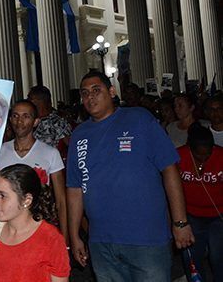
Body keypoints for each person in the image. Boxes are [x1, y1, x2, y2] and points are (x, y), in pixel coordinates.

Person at [66, 71, 194, 281]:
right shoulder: (79, 134)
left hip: (146, 239)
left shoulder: (139, 118)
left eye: (96, 90)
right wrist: (75, 235)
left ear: (112, 91)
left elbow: (169, 169)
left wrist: (180, 222)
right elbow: (74, 188)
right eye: (85, 93)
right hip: (102, 242)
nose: (90, 97)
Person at [0, 99, 68, 243]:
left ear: (35, 121)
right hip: (8, 229)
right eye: (16, 116)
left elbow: (61, 200)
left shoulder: (50, 153)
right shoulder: (0, 151)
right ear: (10, 119)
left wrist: (64, 238)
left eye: (26, 116)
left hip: (40, 226)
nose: (20, 121)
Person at [177, 123, 223, 281]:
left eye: (207, 155)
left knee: (218, 257)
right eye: (198, 156)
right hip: (191, 216)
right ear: (190, 148)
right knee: (192, 258)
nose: (203, 160)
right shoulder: (179, 156)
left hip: (217, 216)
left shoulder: (221, 156)